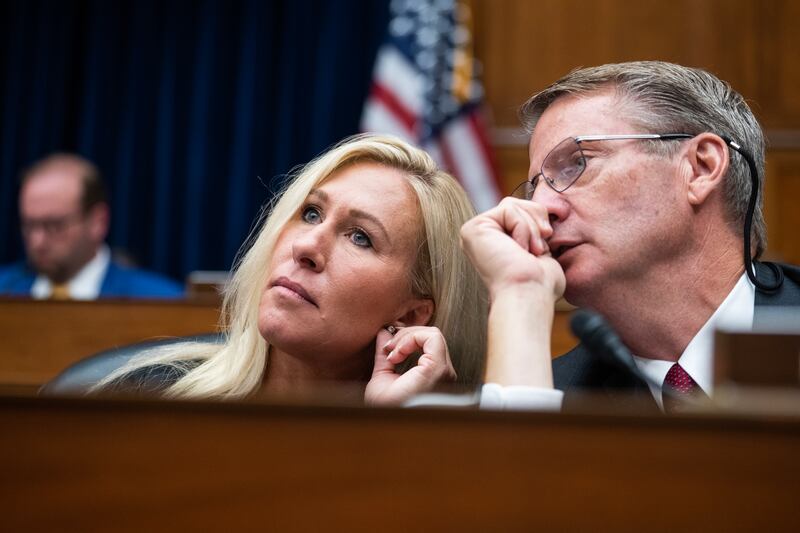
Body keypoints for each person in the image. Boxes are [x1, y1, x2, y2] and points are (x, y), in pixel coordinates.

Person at [459, 61, 800, 412]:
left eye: (577, 163)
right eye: (535, 187)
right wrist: (521, 286)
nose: (542, 206)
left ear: (700, 168)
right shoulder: (541, 393)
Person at [93, 134, 487, 404]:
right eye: (310, 213)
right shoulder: (140, 400)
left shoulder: (438, 455)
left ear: (412, 314)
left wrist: (394, 431)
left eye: (360, 237)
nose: (306, 246)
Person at [0, 153, 184, 299]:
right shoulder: (5, 290)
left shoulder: (161, 301)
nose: (37, 241)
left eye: (54, 226)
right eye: (29, 225)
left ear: (98, 222)